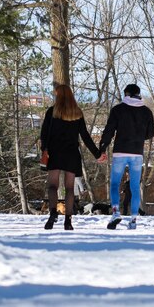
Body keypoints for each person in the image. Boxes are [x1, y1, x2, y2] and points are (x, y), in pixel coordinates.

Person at [41, 84, 101, 230]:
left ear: (58, 95)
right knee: (69, 188)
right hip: (71, 154)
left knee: (53, 186)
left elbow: (44, 134)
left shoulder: (52, 111)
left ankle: (53, 213)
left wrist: (44, 150)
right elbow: (85, 136)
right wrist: (97, 154)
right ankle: (68, 221)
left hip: (55, 152)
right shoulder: (77, 113)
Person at [98, 83, 154, 230]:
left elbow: (109, 130)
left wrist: (102, 148)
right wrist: (139, 136)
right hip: (137, 153)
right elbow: (150, 133)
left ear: (127, 94)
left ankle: (116, 212)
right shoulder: (147, 112)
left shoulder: (118, 110)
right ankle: (134, 219)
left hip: (120, 151)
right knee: (135, 187)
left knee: (115, 184)